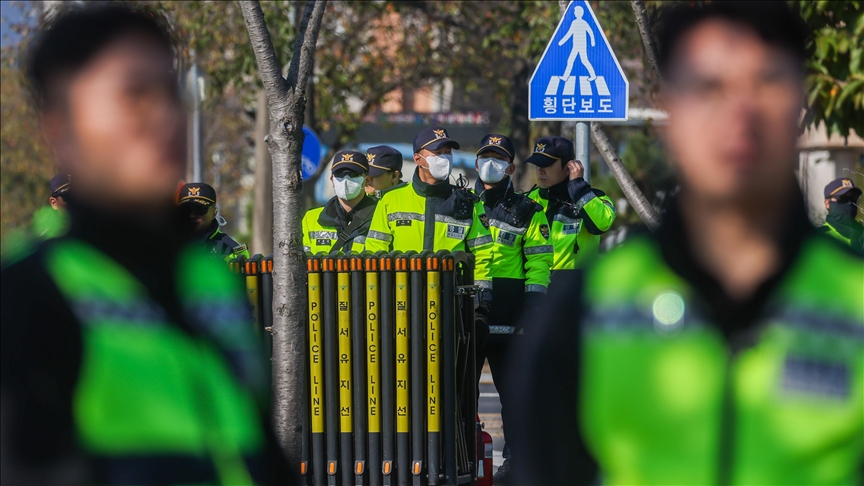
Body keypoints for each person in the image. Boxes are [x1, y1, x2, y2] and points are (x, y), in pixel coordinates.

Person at [510, 2, 863, 485]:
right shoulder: (588, 307)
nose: (740, 113)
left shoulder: (855, 299)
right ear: (670, 112)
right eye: (709, 88)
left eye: (766, 84)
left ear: (800, 106)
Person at [1, 5, 291, 484]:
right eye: (134, 96)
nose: (164, 117)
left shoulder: (209, 277)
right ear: (61, 128)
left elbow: (254, 449)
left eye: (171, 93)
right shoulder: (28, 291)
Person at [471, 134, 553, 484]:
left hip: (510, 316)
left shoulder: (528, 210)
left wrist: (533, 305)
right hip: (469, 313)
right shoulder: (462, 204)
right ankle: (464, 459)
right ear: (476, 165)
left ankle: (515, 462)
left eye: (498, 159)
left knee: (514, 397)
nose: (491, 165)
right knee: (462, 397)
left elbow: (539, 262)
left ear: (510, 167)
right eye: (485, 158)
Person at [365, 127, 494, 291]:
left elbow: (483, 255)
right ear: (418, 159)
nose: (445, 158)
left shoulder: (470, 202)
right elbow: (374, 252)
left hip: (451, 297)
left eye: (448, 152)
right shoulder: (391, 200)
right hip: (402, 296)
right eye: (438, 152)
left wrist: (480, 302)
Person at [524, 136, 616, 282]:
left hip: (575, 290)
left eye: (547, 164)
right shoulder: (527, 201)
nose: (540, 170)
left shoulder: (593, 198)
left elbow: (602, 223)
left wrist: (578, 188)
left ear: (569, 167)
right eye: (537, 164)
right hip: (535, 287)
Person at [302, 150, 376, 254]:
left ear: (367, 180)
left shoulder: (379, 215)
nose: (346, 179)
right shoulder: (311, 218)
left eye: (353, 174)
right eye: (339, 174)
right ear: (332, 179)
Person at [177, 181, 250, 262]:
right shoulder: (163, 244)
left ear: (214, 213)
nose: (192, 215)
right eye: (186, 210)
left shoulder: (231, 250)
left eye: (199, 209)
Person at [819, 177, 863, 252]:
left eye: (853, 198)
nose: (850, 203)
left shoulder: (861, 234)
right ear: (827, 203)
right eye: (842, 198)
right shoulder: (819, 240)